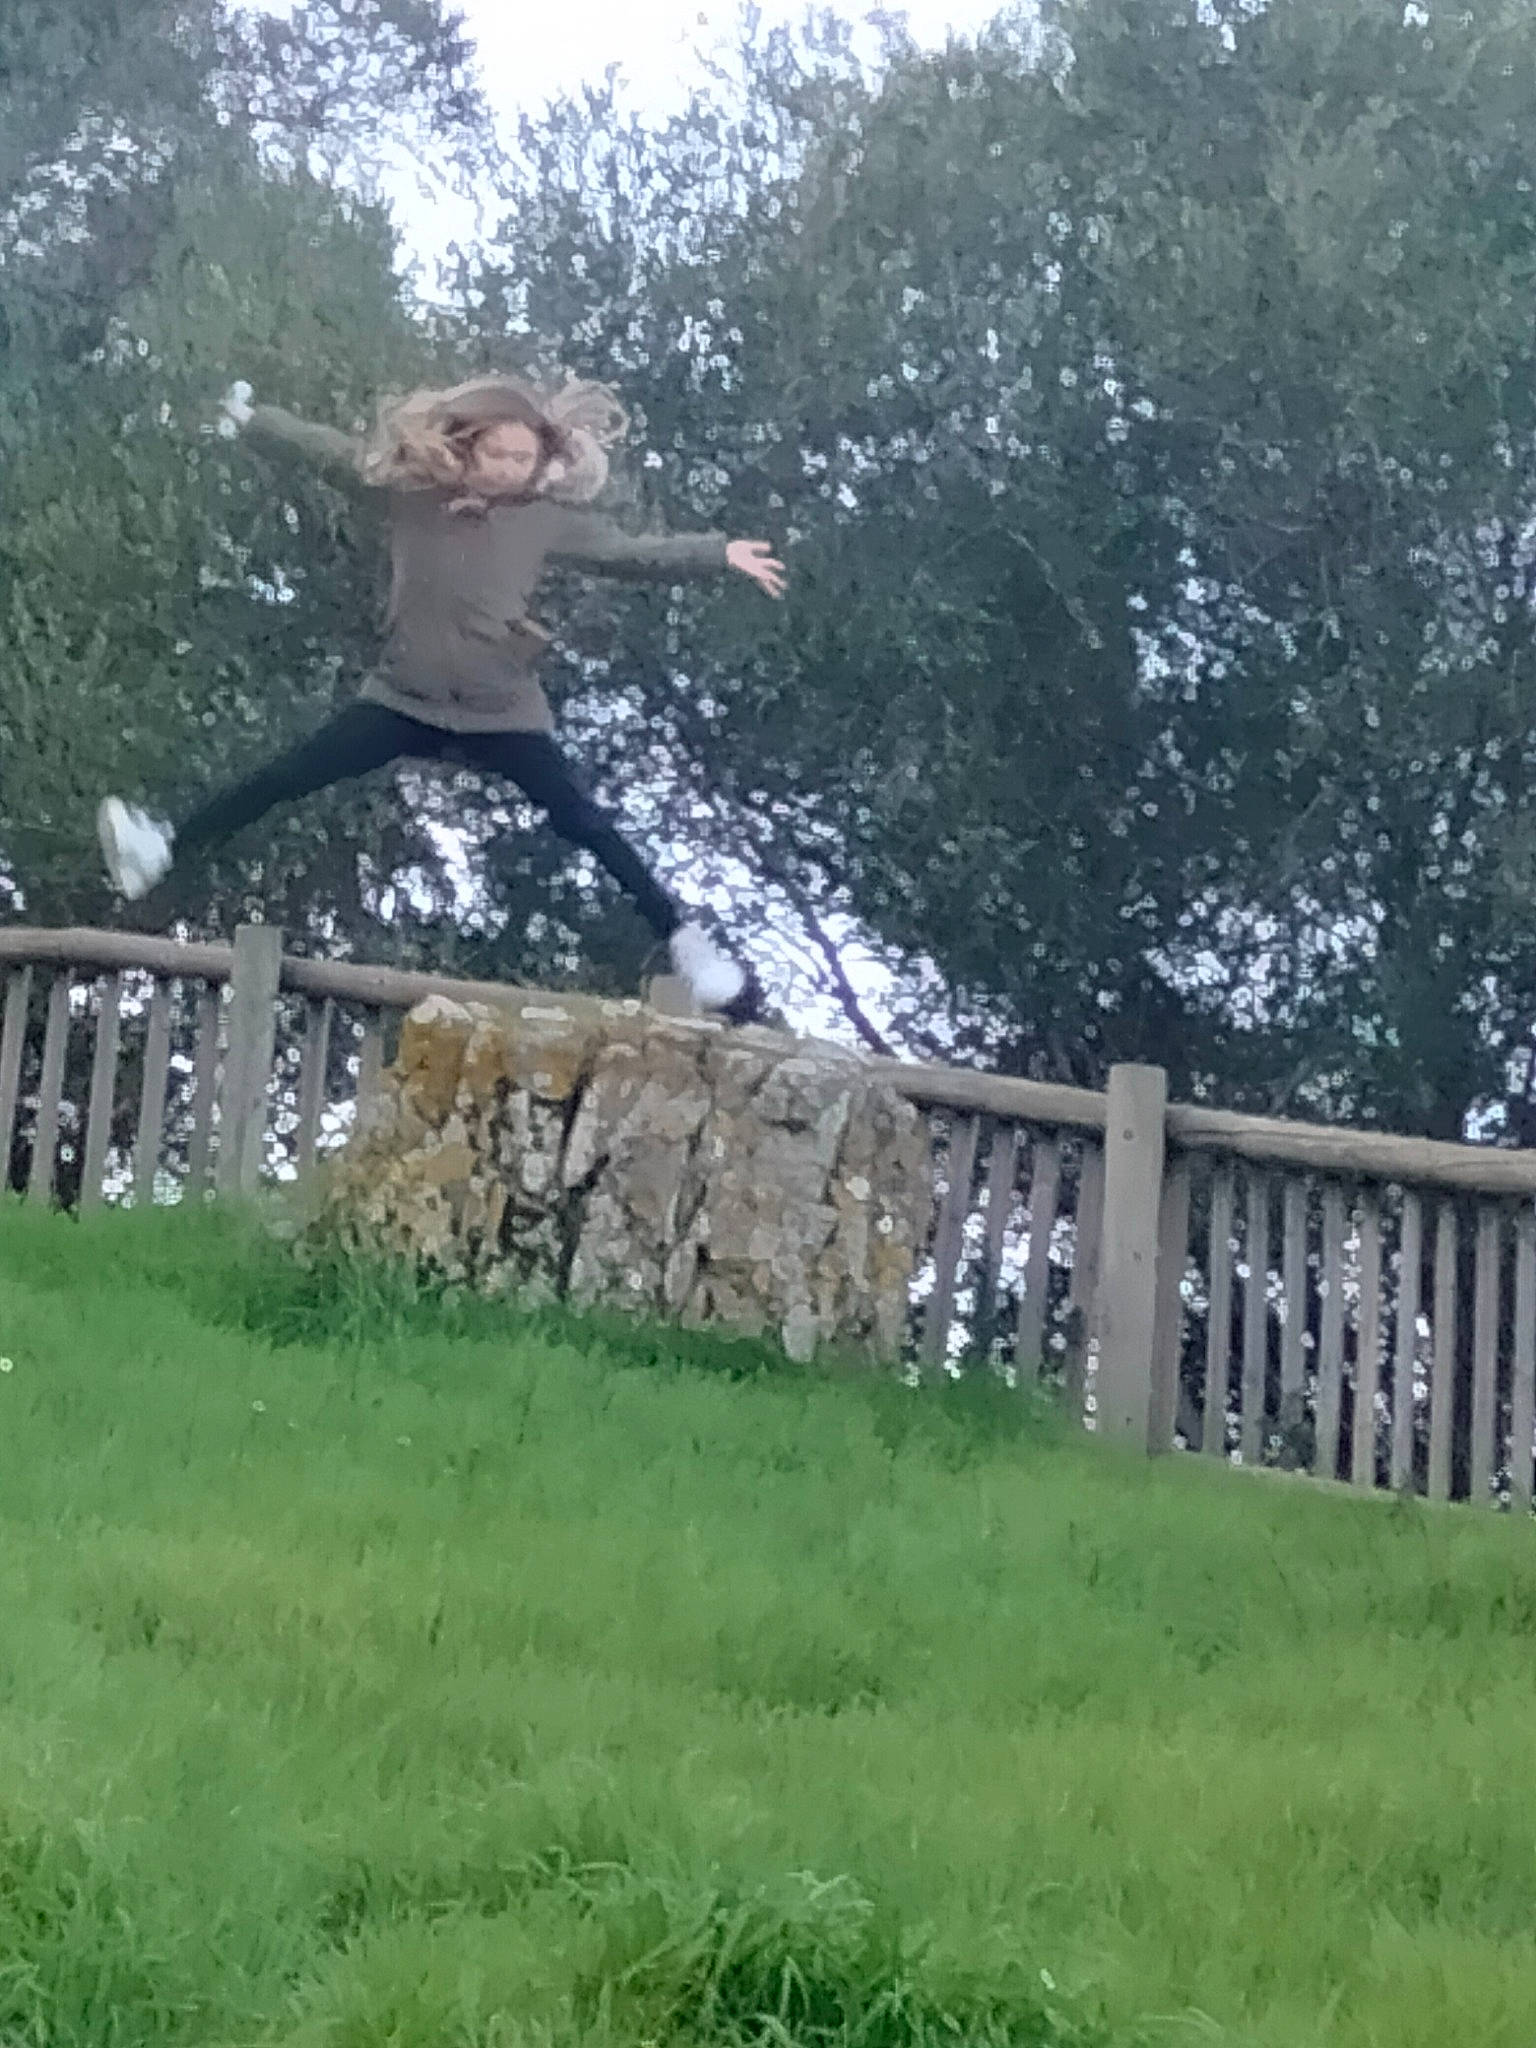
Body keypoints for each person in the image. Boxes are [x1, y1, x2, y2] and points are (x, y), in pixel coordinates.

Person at [97, 371, 787, 1019]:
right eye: (500, 456)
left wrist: (714, 554)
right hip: (405, 699)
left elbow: (632, 554)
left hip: (501, 709)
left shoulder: (542, 519)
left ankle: (685, 942)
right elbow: (328, 452)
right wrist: (254, 420)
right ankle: (163, 846)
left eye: (526, 458)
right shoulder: (407, 494)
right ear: (463, 447)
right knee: (291, 773)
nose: (514, 470)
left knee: (583, 820)